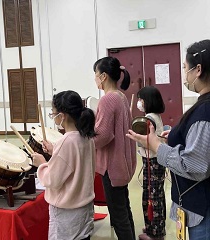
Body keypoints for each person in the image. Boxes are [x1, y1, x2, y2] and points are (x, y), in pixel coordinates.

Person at [127, 39, 210, 240]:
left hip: (202, 205)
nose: (185, 74)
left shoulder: (204, 110)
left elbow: (195, 166)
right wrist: (173, 136)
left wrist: (155, 144)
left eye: (184, 68)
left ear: (197, 69)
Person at [31, 90, 96, 240]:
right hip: (84, 208)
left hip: (67, 213)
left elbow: (52, 180)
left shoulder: (65, 142)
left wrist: (42, 164)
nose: (53, 116)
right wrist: (54, 150)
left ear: (62, 115)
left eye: (53, 113)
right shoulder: (87, 137)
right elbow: (75, 159)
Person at [93, 56, 137, 240]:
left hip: (112, 166)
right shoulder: (121, 96)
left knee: (118, 216)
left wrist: (83, 139)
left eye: (95, 74)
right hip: (122, 164)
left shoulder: (108, 99)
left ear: (103, 76)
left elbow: (102, 135)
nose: (94, 78)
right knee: (124, 210)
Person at [136, 86, 166, 240]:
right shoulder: (156, 116)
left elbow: (145, 141)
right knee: (156, 195)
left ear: (147, 101)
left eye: (140, 99)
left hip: (152, 160)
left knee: (152, 196)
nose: (139, 102)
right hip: (157, 159)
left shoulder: (148, 118)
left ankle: (155, 233)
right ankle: (153, 226)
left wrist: (136, 139)